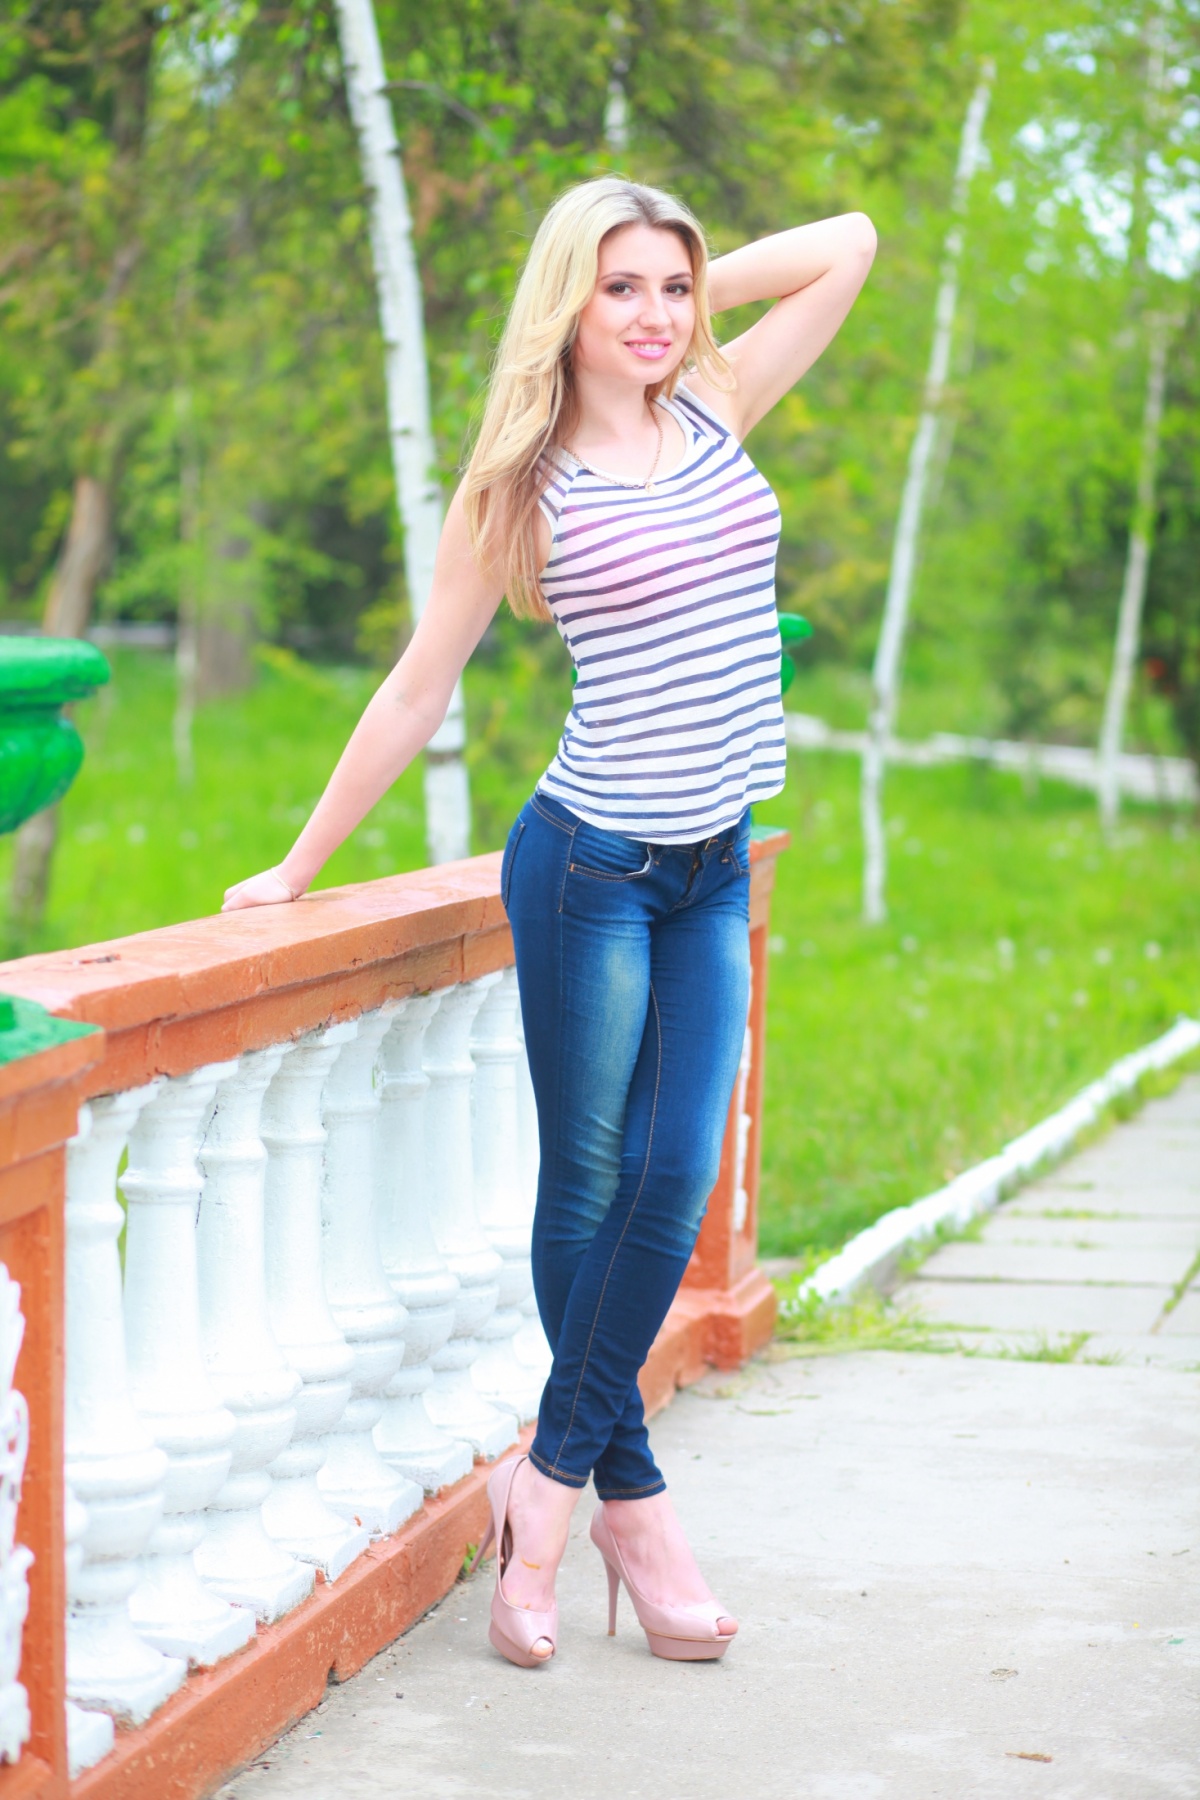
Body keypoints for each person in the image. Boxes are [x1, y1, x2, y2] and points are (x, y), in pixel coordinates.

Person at [223, 175, 875, 1669]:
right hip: (589, 868)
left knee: (674, 1173)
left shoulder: (713, 398)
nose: (654, 315)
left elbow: (849, 246)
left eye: (673, 286)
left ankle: (552, 1480)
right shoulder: (519, 487)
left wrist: (693, 303)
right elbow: (418, 685)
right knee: (590, 1185)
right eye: (619, 287)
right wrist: (299, 865)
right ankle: (635, 1514)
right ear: (565, 301)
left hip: (712, 865)